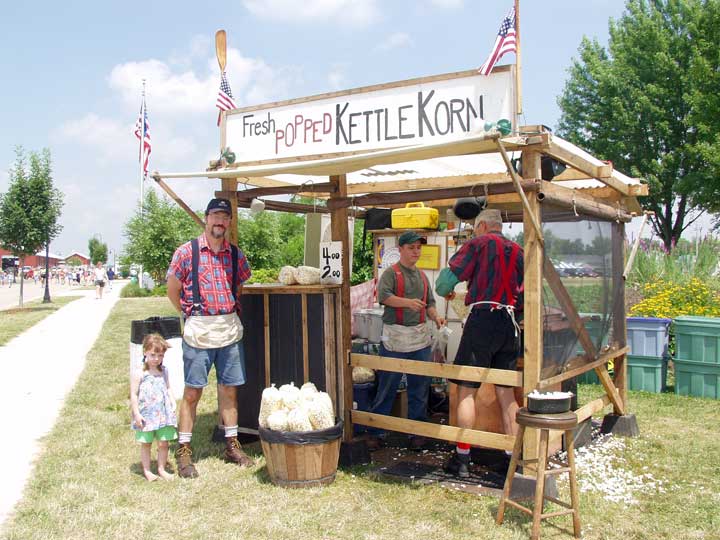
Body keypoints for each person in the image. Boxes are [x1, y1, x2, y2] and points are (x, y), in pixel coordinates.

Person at [166, 197, 253, 478]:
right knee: (192, 392)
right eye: (215, 215)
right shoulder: (186, 252)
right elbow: (172, 289)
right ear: (206, 218)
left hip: (228, 328)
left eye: (225, 217)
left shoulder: (236, 255)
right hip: (200, 330)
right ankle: (184, 452)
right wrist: (190, 314)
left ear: (229, 222)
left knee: (229, 390)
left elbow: (238, 286)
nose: (220, 221)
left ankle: (232, 445)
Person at [436, 209, 524, 478]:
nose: (474, 233)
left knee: (466, 389)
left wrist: (450, 290)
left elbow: (443, 284)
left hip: (482, 321)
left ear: (483, 226)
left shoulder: (478, 244)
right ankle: (513, 459)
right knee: (506, 393)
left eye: (475, 228)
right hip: (510, 324)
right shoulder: (520, 251)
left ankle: (462, 458)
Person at [366, 231, 446, 450]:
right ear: (400, 249)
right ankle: (376, 431)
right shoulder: (390, 274)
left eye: (418, 248)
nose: (416, 252)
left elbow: (429, 303)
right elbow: (383, 297)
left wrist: (436, 317)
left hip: (420, 339)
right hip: (395, 337)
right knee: (387, 386)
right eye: (411, 248)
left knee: (419, 388)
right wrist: (407, 303)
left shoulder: (422, 276)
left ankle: (416, 433)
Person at [130, 333, 178, 482]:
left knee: (164, 442)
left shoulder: (163, 371)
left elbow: (168, 388)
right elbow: (133, 394)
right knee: (146, 443)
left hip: (163, 414)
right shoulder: (140, 373)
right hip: (147, 415)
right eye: (152, 355)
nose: (156, 359)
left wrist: (172, 401)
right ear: (145, 352)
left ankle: (161, 468)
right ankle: (147, 470)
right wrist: (136, 413)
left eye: (160, 355)